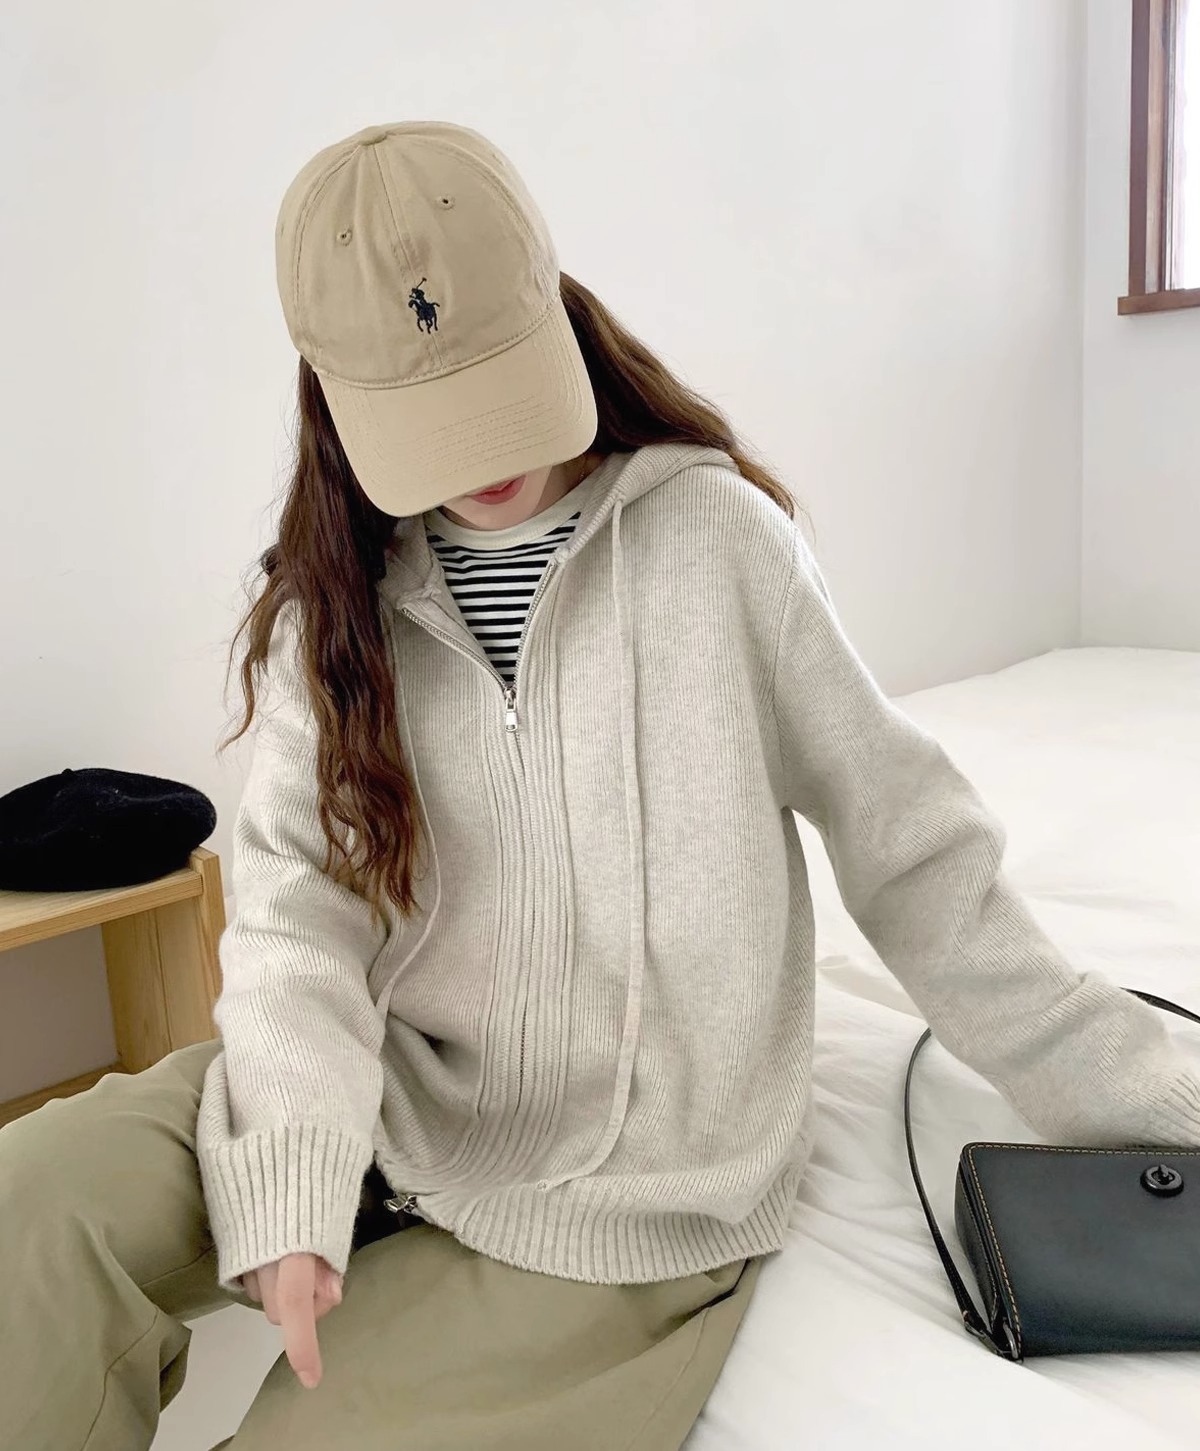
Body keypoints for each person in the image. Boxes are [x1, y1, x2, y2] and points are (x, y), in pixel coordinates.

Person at [3, 120, 1199, 1451]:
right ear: (335, 403)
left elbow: (916, 858)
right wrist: (290, 1175)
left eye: (499, 388)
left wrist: (1147, 1095)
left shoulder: (719, 546)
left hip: (626, 1177)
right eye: (426, 423)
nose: (480, 459)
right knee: (24, 1216)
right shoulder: (334, 606)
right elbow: (298, 922)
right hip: (385, 1083)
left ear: (555, 308)